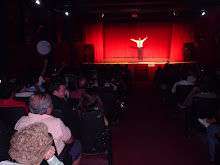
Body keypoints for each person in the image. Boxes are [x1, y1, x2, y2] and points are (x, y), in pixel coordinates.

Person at [14, 92, 82, 165]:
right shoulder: (56, 122)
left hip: (28, 159)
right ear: (48, 109)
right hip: (52, 160)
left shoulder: (21, 121)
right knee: (77, 144)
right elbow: (69, 140)